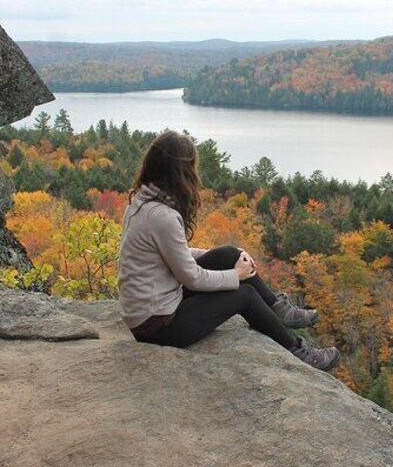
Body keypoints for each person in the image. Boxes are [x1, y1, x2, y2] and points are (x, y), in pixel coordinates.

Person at [118, 130, 340, 371]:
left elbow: (173, 253)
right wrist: (236, 275)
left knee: (228, 253)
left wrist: (226, 256)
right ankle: (297, 349)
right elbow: (191, 278)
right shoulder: (162, 216)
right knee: (243, 295)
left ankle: (279, 310)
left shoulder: (142, 201)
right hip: (156, 325)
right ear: (181, 172)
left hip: (154, 306)